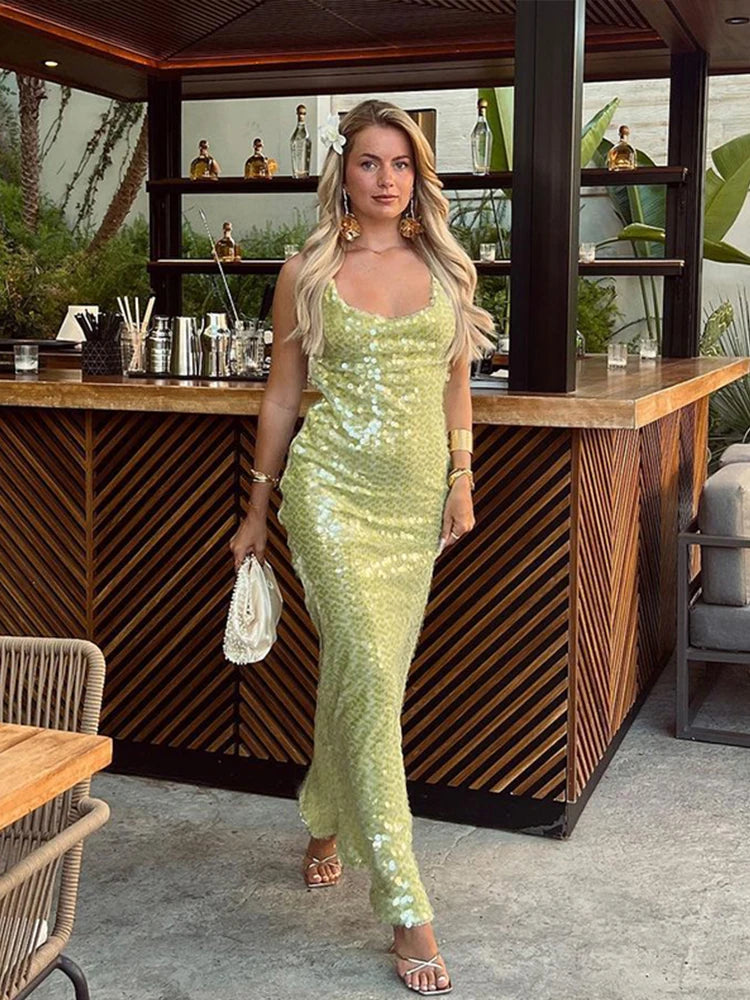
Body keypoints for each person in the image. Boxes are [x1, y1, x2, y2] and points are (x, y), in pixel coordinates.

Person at [229, 98, 494, 996]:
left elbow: (457, 389)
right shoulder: (307, 270)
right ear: (343, 171)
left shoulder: (448, 271)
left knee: (363, 675)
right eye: (370, 162)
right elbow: (279, 397)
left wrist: (461, 477)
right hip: (330, 496)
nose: (386, 178)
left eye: (401, 164)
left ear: (418, 177)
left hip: (415, 503)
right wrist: (258, 507)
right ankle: (407, 904)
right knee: (372, 679)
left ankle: (322, 815)